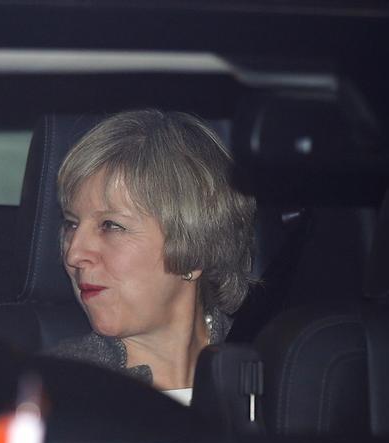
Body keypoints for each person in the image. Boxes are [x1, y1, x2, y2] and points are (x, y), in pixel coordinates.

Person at [48, 109, 255, 405]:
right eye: (71, 223)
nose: (74, 253)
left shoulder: (277, 376)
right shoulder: (58, 391)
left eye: (111, 226)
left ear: (194, 245)